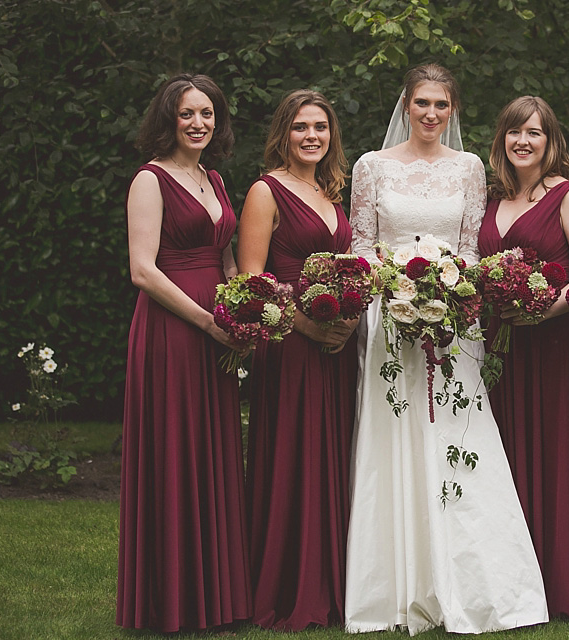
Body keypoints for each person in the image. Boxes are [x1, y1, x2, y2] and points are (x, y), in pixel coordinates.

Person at [345, 63, 548, 635]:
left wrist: (448, 289)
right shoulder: (371, 167)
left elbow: (470, 249)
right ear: (405, 104)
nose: (431, 114)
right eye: (421, 103)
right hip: (389, 317)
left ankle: (475, 586)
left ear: (453, 110)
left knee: (458, 434)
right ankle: (393, 590)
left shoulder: (470, 168)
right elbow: (362, 245)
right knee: (396, 436)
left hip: (452, 320)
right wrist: (395, 288)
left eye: (441, 105)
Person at [117, 73, 251, 632]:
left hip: (218, 325)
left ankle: (216, 598)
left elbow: (223, 256)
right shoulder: (150, 180)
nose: (198, 124)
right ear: (167, 119)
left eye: (207, 114)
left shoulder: (214, 179)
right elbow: (142, 270)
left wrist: (246, 306)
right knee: (175, 452)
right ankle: (169, 601)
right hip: (173, 330)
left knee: (213, 451)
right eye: (187, 114)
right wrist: (206, 321)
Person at [477, 95, 569, 621]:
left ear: (552, 142)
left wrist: (543, 311)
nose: (523, 142)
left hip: (554, 349)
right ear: (502, 140)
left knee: (551, 455)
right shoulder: (493, 198)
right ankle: (506, 585)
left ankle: (559, 581)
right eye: (514, 133)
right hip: (499, 350)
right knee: (503, 459)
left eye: (534, 133)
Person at [237, 90, 358, 630]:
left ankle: (330, 585)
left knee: (330, 458)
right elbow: (251, 282)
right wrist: (307, 325)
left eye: (321, 127)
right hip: (288, 346)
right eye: (301, 127)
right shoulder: (266, 191)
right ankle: (288, 587)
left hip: (334, 349)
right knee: (293, 459)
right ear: (283, 134)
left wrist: (348, 319)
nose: (312, 136)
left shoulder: (331, 194)